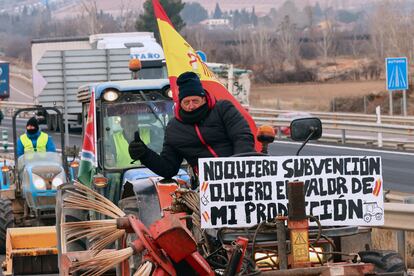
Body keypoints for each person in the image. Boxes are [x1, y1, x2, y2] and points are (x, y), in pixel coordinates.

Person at [128, 71, 255, 179]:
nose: (191, 106)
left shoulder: (223, 109)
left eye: (195, 101)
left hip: (239, 175)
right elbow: (168, 169)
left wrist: (238, 169)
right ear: (180, 103)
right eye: (186, 102)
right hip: (206, 186)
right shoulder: (174, 128)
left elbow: (242, 137)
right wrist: (145, 155)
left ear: (204, 98)